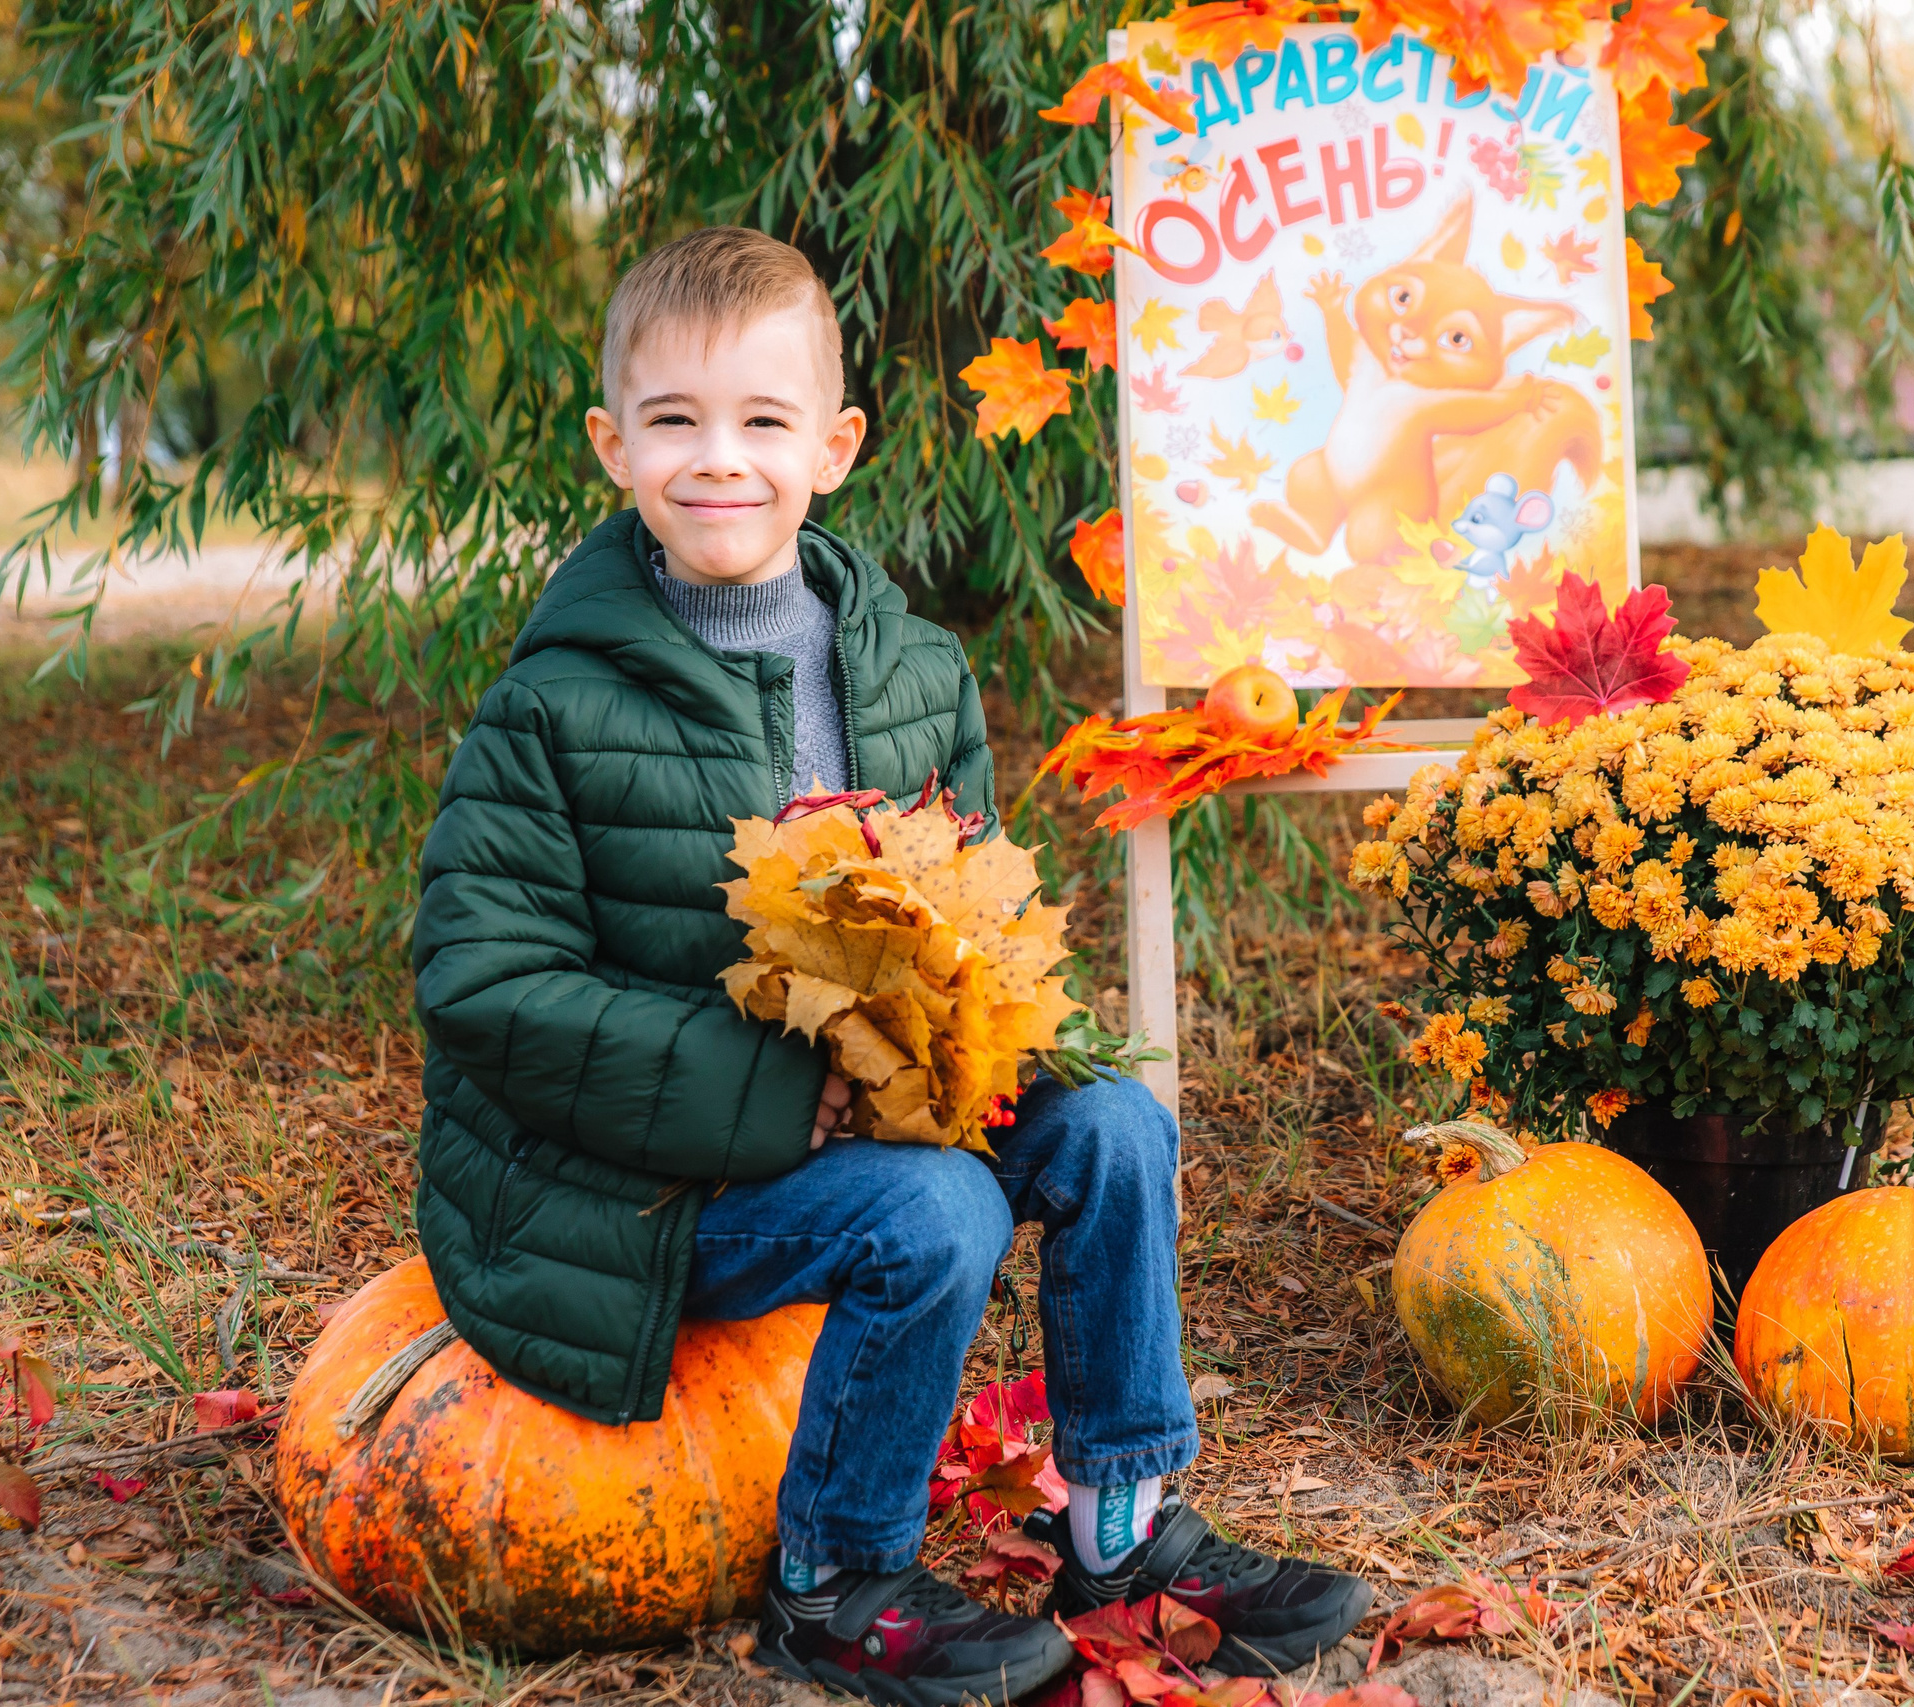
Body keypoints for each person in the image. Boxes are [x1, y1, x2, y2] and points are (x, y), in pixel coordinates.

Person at [409, 227, 1371, 1705]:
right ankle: (835, 1580)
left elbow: (963, 912)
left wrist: (984, 1036)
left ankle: (1123, 1529)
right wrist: (766, 1102)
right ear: (613, 446)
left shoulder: (911, 669)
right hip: (631, 1186)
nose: (718, 459)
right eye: (674, 421)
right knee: (932, 1207)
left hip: (867, 1111)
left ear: (836, 446)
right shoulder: (552, 704)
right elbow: (485, 988)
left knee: (1115, 1126)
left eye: (762, 421)